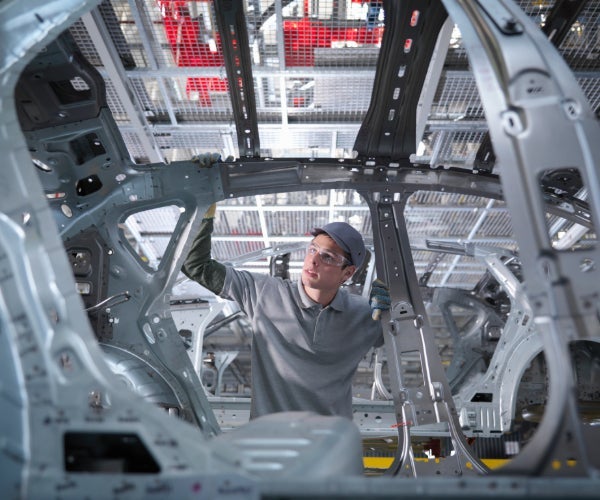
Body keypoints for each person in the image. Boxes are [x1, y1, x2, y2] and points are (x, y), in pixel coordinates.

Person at [182, 171, 390, 420]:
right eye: (312, 249)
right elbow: (197, 267)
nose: (312, 259)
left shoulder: (366, 315)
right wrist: (202, 204)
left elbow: (413, 342)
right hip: (270, 442)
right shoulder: (264, 293)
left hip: (330, 446)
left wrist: (398, 306)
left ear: (348, 273)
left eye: (328, 257)